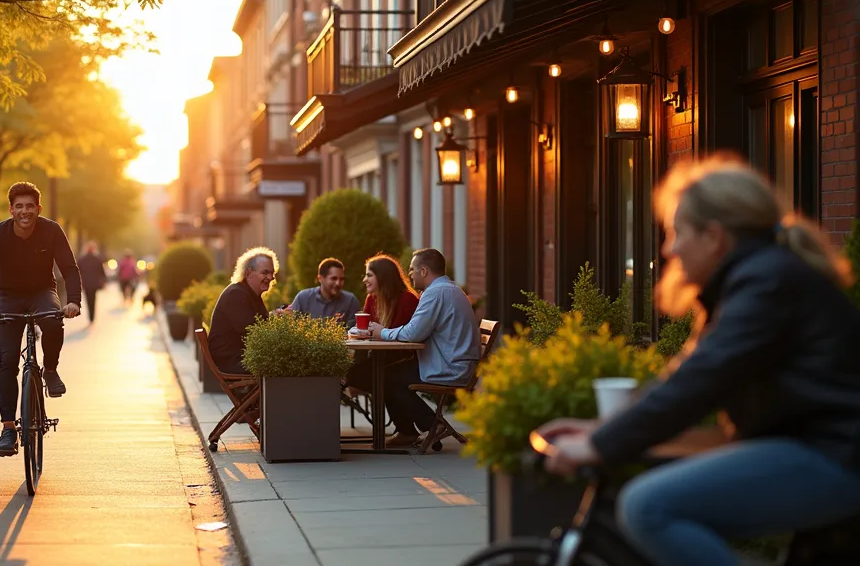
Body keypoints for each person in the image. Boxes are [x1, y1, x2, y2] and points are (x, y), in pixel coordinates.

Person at [536, 156, 860, 566]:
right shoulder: (759, 279)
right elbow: (687, 379)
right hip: (821, 448)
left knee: (648, 506)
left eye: (675, 233)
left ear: (715, 237)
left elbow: (699, 383)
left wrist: (599, 445)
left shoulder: (765, 284)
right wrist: (603, 429)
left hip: (834, 455)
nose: (669, 249)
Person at [0, 182, 82, 457]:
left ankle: (50, 369)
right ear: (11, 210)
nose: (25, 211)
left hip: (41, 292)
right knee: (7, 360)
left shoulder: (51, 231)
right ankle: (8, 428)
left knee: (52, 319)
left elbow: (69, 268)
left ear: (38, 209)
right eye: (19, 207)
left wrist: (74, 301)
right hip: (8, 296)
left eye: (30, 206)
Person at [365, 248, 480, 446]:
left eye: (412, 270)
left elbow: (412, 333)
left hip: (449, 368)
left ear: (424, 271)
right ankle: (411, 429)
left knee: (386, 378)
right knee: (388, 374)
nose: (410, 274)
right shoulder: (449, 289)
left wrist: (381, 332)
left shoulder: (436, 293)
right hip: (452, 362)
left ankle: (430, 426)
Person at [346, 254, 421, 443]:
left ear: (383, 277)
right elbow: (368, 329)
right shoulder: (372, 299)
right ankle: (408, 430)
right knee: (360, 375)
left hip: (406, 360)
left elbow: (403, 337)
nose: (364, 279)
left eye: (369, 275)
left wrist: (377, 333)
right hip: (383, 358)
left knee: (382, 379)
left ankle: (422, 425)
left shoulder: (407, 300)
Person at [207, 247, 278, 375]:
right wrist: (275, 317)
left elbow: (259, 326)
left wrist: (277, 315)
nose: (270, 277)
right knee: (287, 364)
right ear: (248, 273)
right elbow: (252, 329)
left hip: (242, 357)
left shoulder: (251, 294)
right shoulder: (236, 294)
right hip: (231, 361)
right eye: (265, 272)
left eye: (272, 273)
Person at [284, 257, 360, 325]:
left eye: (341, 279)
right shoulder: (303, 299)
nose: (338, 283)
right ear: (320, 278)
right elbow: (292, 328)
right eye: (333, 278)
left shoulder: (351, 301)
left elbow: (355, 333)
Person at [76, 241, 106, 323]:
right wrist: (103, 282)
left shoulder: (82, 259)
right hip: (94, 283)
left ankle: (90, 316)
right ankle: (92, 316)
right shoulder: (97, 259)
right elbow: (102, 272)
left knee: (88, 299)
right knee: (93, 299)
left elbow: (77, 271)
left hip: (85, 283)